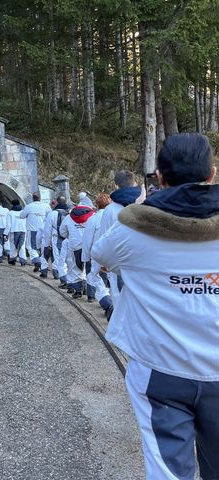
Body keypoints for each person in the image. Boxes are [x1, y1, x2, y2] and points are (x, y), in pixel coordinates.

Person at [92, 133, 219, 480]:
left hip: (160, 371)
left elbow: (100, 255)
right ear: (212, 173)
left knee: (168, 470)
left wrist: (143, 205)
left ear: (160, 178)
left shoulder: (132, 228)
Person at [98, 170, 142, 306]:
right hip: (145, 262)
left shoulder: (110, 210)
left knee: (121, 302)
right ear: (135, 183)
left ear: (116, 186)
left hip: (121, 262)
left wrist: (104, 263)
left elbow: (104, 240)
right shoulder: (147, 202)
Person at [81, 194, 112, 312]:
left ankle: (104, 300)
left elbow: (87, 239)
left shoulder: (93, 219)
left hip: (97, 252)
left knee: (93, 276)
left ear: (96, 205)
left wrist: (85, 256)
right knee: (111, 278)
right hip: (111, 253)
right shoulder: (114, 216)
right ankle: (110, 300)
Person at [59, 203, 96, 298]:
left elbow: (62, 232)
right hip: (90, 245)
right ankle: (91, 295)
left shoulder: (69, 217)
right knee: (90, 269)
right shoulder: (93, 216)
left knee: (76, 268)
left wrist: (70, 236)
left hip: (75, 246)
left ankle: (78, 290)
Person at [19, 192, 52, 272]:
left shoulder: (29, 206)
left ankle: (37, 260)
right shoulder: (46, 206)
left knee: (30, 246)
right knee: (42, 247)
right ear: (40, 198)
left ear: (32, 198)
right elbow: (50, 216)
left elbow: (21, 216)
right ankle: (44, 265)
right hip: (43, 230)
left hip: (32, 230)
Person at [43, 195, 70, 285]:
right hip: (70, 238)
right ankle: (59, 274)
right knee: (69, 259)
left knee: (59, 258)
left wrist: (46, 244)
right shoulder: (70, 212)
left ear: (57, 203)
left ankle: (64, 279)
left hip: (57, 237)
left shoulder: (52, 214)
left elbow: (47, 231)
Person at [5, 200, 27, 265]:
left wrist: (5, 233)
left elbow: (8, 225)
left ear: (12, 205)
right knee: (22, 245)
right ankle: (23, 260)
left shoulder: (10, 213)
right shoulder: (23, 212)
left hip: (14, 231)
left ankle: (12, 259)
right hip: (23, 230)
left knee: (13, 246)